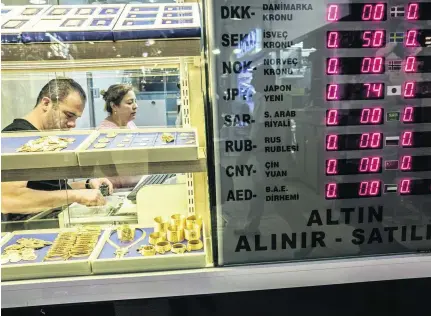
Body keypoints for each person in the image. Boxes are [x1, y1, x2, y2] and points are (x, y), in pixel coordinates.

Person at [1, 78, 113, 222]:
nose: (72, 124)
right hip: (31, 229)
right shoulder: (18, 136)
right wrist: (77, 196)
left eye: (76, 118)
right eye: (68, 115)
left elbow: (45, 188)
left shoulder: (41, 137)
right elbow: (8, 199)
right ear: (46, 103)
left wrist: (86, 184)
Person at [98, 84, 141, 188]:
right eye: (130, 102)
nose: (135, 106)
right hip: (117, 188)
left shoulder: (129, 123)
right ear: (114, 106)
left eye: (135, 101)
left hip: (135, 182)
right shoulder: (106, 132)